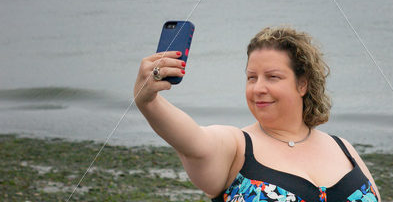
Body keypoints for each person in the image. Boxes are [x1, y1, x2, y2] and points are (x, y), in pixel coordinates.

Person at [134, 25, 380, 202]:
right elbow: (192, 141)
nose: (258, 88)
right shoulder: (237, 147)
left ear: (302, 84)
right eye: (252, 78)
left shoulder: (343, 148)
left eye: (272, 77)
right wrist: (149, 102)